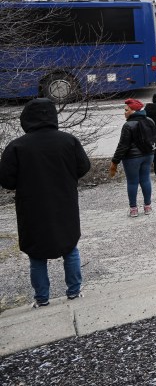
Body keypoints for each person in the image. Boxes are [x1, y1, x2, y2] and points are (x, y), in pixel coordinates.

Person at [0, 98, 90, 307]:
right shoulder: (68, 141)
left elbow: (6, 180)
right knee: (70, 248)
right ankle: (74, 292)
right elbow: (83, 167)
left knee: (36, 254)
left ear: (26, 119)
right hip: (64, 202)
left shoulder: (17, 146)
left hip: (32, 207)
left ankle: (42, 299)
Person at [110, 98, 156, 217]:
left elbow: (123, 145)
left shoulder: (128, 125)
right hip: (148, 155)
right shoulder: (150, 120)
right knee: (146, 179)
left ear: (134, 111)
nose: (124, 112)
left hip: (132, 158)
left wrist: (115, 161)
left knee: (132, 182)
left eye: (126, 110)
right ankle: (147, 207)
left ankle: (133, 209)